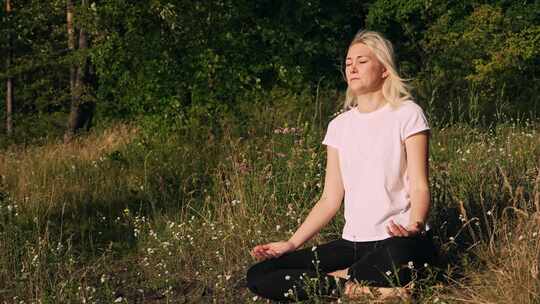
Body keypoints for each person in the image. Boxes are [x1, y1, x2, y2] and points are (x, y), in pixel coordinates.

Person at [246, 30, 437, 302]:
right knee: (260, 273)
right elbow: (329, 199)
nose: (352, 68)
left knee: (401, 256)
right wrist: (291, 244)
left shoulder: (407, 114)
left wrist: (415, 226)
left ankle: (341, 280)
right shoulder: (339, 127)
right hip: (353, 243)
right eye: (348, 62)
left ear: (384, 69)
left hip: (398, 240)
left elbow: (419, 184)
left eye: (362, 61)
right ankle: (358, 287)